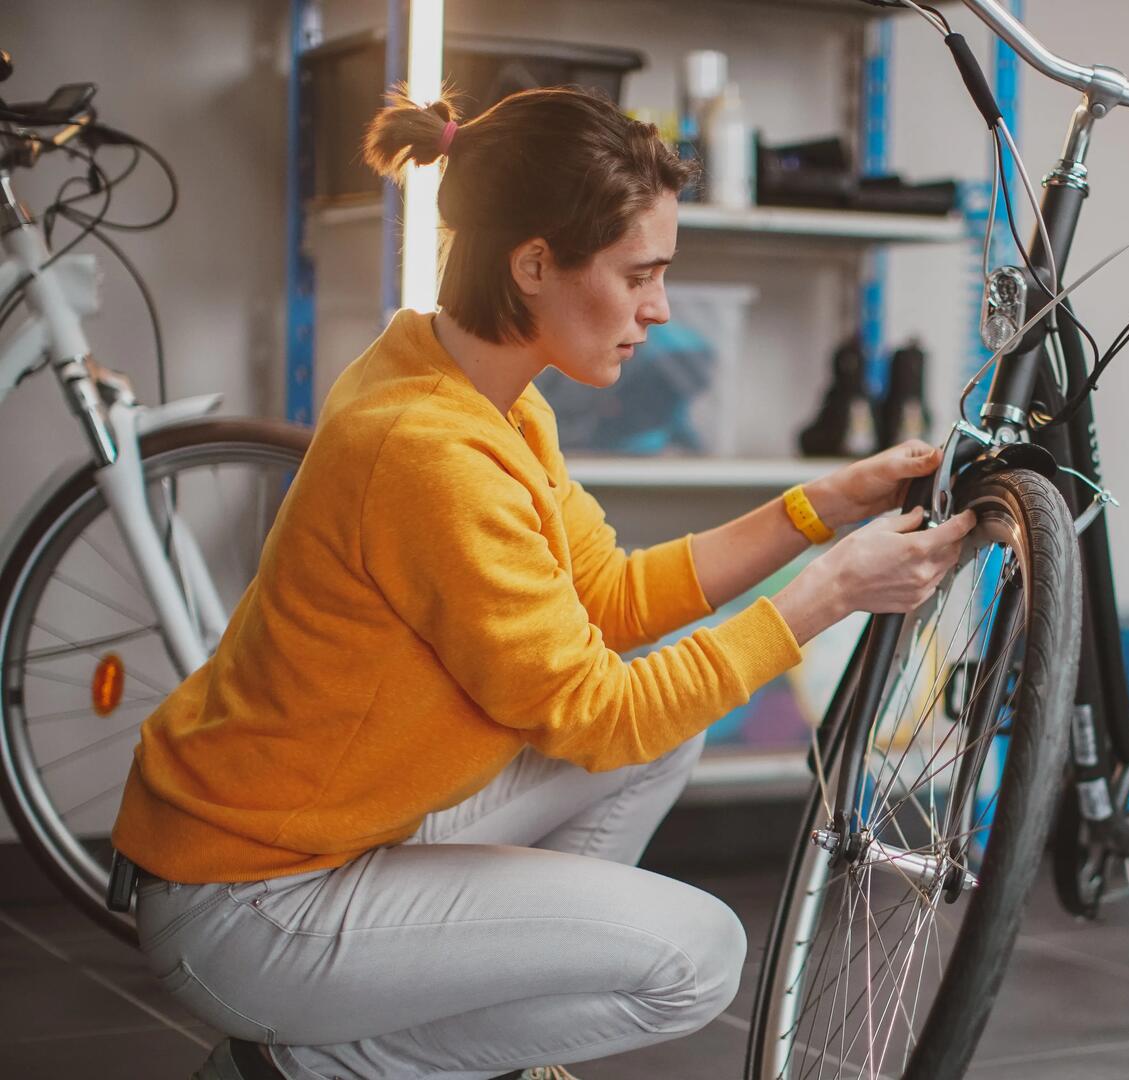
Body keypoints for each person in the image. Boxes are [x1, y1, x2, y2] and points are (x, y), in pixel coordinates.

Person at [108, 86, 975, 1080]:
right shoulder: (432, 454)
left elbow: (609, 596)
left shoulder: (474, 394)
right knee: (698, 962)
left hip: (324, 840)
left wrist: (826, 502)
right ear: (532, 264)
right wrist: (827, 595)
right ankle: (315, 1068)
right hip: (249, 904)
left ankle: (465, 1021)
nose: (658, 308)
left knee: (670, 726)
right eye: (639, 274)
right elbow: (593, 715)